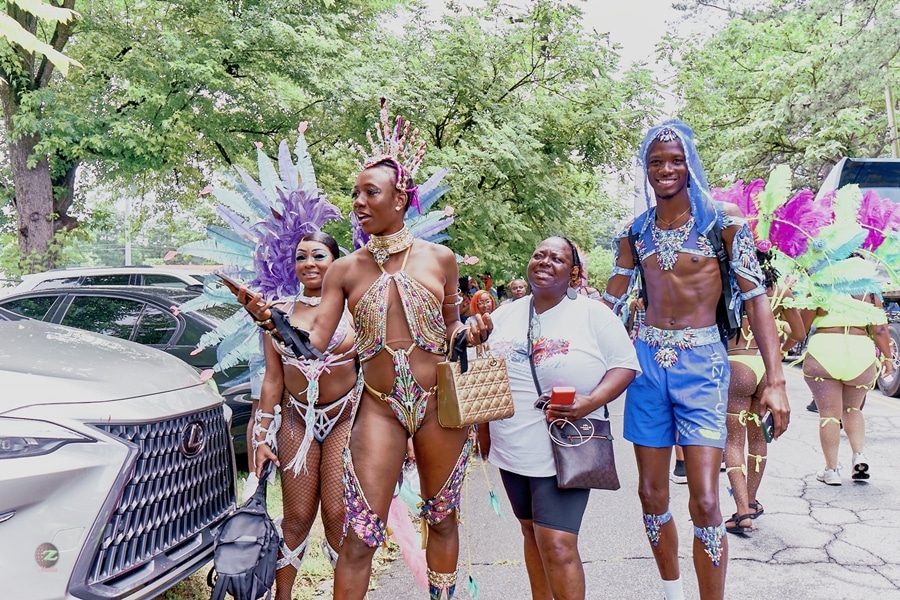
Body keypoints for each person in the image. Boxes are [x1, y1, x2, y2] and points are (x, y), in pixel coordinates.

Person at [240, 104, 485, 599]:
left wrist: (474, 329)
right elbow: (311, 346)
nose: (358, 202)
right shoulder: (345, 270)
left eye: (370, 192)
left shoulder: (441, 259)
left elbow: (455, 326)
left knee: (441, 517)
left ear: (401, 198)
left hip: (440, 404)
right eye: (354, 193)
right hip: (378, 406)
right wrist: (272, 321)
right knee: (359, 536)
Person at [602, 120, 790, 600]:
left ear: (690, 165)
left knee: (706, 499)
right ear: (645, 170)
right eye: (655, 162)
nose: (665, 170)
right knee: (650, 495)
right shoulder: (636, 232)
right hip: (645, 364)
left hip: (703, 362)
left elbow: (756, 298)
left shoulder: (723, 222)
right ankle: (672, 594)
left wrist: (776, 379)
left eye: (675, 160)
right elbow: (609, 305)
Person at [473, 236, 640, 600]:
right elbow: (482, 370)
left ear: (574, 272)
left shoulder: (594, 314)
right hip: (512, 446)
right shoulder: (503, 315)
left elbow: (625, 366)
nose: (545, 262)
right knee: (531, 533)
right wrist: (482, 429)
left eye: (557, 259)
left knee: (558, 542)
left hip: (566, 443)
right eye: (538, 254)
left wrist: (589, 401)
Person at [250, 232, 357, 599]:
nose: (309, 263)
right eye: (301, 256)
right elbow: (272, 378)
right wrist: (261, 437)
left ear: (337, 262)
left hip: (345, 417)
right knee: (295, 520)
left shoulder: (356, 309)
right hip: (298, 419)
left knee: (337, 518)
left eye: (319, 255)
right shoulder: (276, 312)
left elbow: (377, 373)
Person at [723, 251, 804, 533]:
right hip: (764, 368)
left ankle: (741, 511)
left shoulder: (727, 283)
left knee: (733, 441)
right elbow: (800, 333)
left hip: (735, 365)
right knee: (759, 439)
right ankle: (754, 500)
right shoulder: (781, 291)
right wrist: (778, 349)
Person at [803, 289, 893, 485]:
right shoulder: (870, 295)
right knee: (852, 409)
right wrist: (887, 357)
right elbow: (880, 330)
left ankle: (831, 470)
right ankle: (859, 455)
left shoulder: (820, 290)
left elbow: (801, 327)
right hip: (861, 353)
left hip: (825, 351)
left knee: (829, 415)